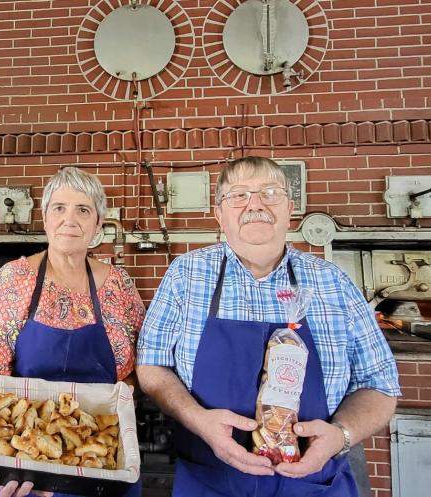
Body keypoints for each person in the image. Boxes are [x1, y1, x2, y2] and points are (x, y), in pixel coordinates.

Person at [136, 156, 401, 497]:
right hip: (209, 480)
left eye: (270, 192)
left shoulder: (332, 282)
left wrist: (342, 435)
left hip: (312, 484)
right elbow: (152, 365)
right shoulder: (184, 275)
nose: (255, 204)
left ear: (290, 207)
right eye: (239, 195)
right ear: (219, 214)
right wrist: (196, 420)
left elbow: (380, 384)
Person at [0, 167, 145, 497]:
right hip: (21, 457)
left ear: (97, 224)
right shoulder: (13, 279)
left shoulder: (119, 285)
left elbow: (136, 372)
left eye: (83, 210)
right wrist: (18, 459)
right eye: (59, 208)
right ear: (45, 218)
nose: (70, 219)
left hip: (100, 456)